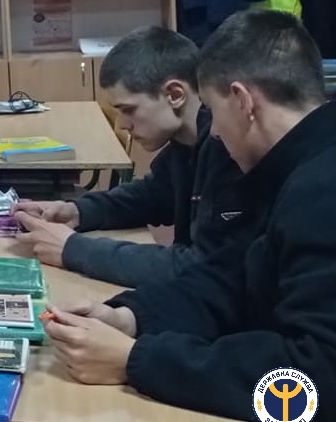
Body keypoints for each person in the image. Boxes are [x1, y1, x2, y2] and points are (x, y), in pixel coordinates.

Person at [43, 10, 336, 422]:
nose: (212, 133)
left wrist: (138, 360)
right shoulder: (289, 168)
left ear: (244, 101)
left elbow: (314, 393)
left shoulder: (321, 194)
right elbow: (231, 277)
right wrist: (130, 318)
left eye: (213, 112)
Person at [13, 27, 250, 287]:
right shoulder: (184, 146)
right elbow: (149, 197)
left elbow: (201, 267)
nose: (122, 125)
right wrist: (76, 211)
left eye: (129, 110)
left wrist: (73, 249)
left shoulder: (230, 154)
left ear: (175, 95)